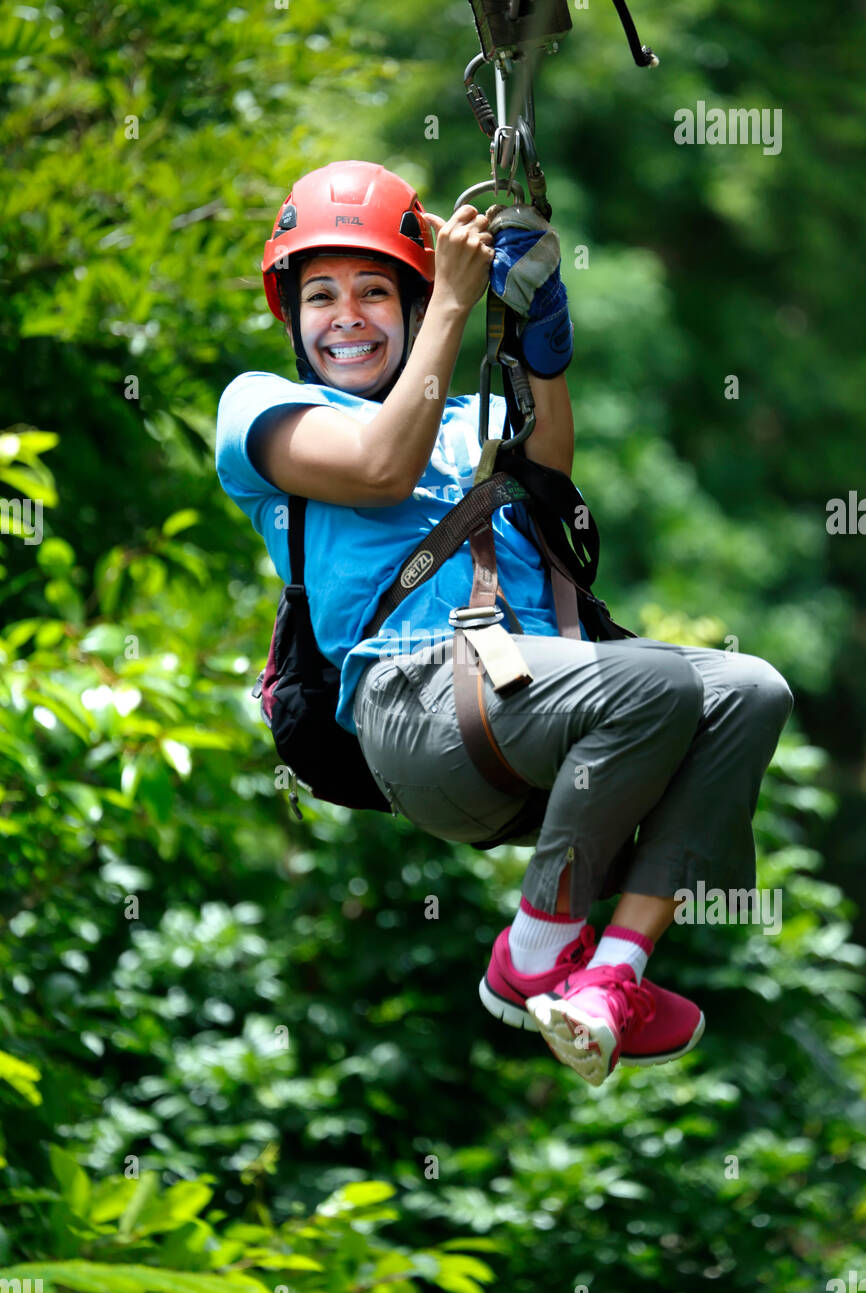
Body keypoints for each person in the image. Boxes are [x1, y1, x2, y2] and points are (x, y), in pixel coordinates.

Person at [216, 160, 794, 1089]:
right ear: (291, 318)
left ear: (406, 306)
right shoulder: (266, 410)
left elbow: (547, 469)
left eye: (374, 291)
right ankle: (531, 955)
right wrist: (454, 301)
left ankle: (610, 977)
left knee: (750, 691)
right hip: (415, 708)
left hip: (528, 694)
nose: (348, 315)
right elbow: (378, 471)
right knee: (659, 683)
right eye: (321, 296)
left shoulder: (467, 415)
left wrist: (541, 338)